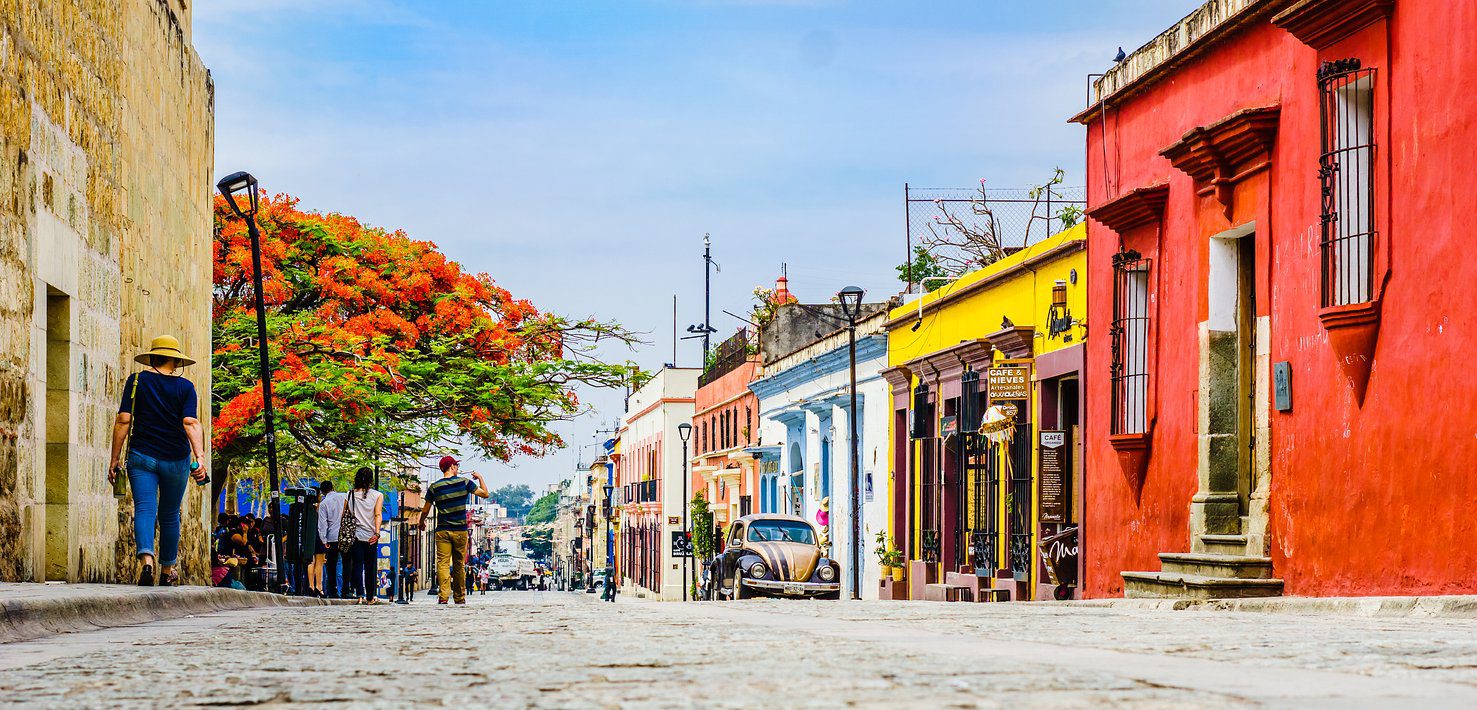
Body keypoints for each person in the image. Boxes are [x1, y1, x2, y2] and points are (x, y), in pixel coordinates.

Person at [108, 335, 206, 587]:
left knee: (145, 508)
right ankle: (167, 570)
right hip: (176, 459)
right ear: (175, 360)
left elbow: (123, 420)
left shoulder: (137, 380)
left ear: (153, 357)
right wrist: (200, 457)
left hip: (142, 456)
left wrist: (114, 458)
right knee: (170, 514)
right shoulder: (186, 388)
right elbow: (190, 423)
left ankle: (146, 562)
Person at [415, 456, 488, 605]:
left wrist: (421, 523)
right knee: (459, 564)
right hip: (460, 530)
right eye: (456, 465)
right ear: (452, 467)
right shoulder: (464, 483)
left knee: (442, 563)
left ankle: (443, 596)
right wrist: (479, 477)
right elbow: (485, 494)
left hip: (442, 530)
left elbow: (425, 509)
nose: (458, 468)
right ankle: (459, 597)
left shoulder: (434, 487)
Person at [347, 467, 384, 604]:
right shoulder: (377, 495)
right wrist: (377, 532)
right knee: (370, 567)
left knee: (357, 565)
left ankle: (360, 595)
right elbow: (378, 514)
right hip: (371, 536)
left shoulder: (350, 494)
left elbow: (347, 515)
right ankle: (369, 597)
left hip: (355, 535)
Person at [316, 480, 347, 598]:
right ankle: (344, 589)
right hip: (345, 536)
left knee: (331, 566)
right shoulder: (344, 497)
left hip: (332, 537)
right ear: (333, 487)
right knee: (344, 564)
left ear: (322, 492)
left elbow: (322, 524)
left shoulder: (324, 504)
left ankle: (333, 591)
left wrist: (324, 540)